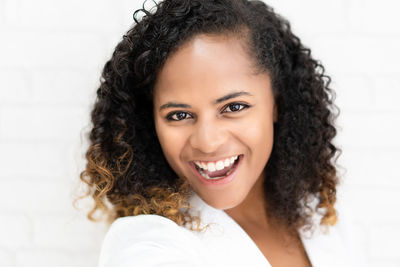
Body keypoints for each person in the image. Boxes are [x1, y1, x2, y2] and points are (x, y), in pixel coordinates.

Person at [78, 0, 367, 266]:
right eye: (179, 115)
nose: (208, 141)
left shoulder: (322, 216)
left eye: (234, 107)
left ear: (277, 103)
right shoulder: (147, 245)